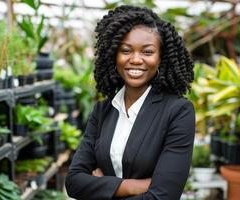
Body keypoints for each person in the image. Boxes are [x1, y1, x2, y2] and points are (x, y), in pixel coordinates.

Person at [65, 5, 195, 200]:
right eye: (126, 50)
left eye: (147, 52)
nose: (135, 59)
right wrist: (132, 186)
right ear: (114, 56)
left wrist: (99, 187)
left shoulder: (178, 112)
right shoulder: (103, 111)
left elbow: (162, 197)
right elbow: (73, 182)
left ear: (160, 59)